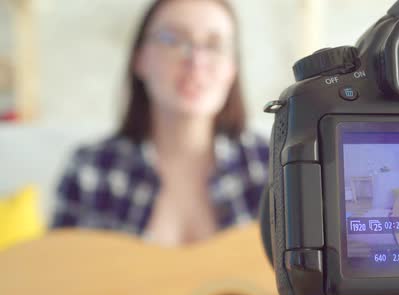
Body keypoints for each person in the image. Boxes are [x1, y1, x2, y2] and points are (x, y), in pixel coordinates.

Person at [52, 0, 268, 247]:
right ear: (140, 59)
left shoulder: (272, 167)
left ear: (232, 68)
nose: (196, 60)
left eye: (214, 45)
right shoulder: (90, 169)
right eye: (173, 39)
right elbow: (59, 275)